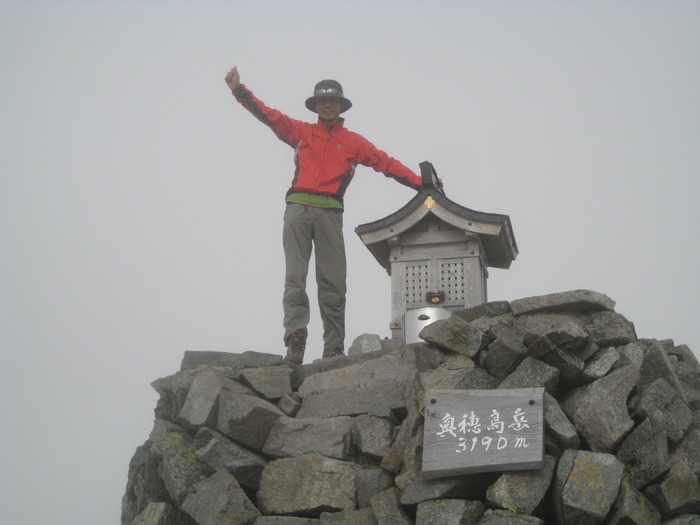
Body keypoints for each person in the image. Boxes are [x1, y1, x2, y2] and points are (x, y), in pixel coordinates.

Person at [224, 66, 423, 365]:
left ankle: (333, 347)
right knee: (295, 277)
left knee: (333, 281)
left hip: (330, 212)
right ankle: (296, 341)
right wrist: (239, 90)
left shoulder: (354, 142)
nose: (327, 105)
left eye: (332, 101)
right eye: (321, 101)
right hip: (298, 210)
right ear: (315, 105)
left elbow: (386, 163)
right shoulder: (301, 132)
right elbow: (268, 115)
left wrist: (423, 184)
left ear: (341, 106)